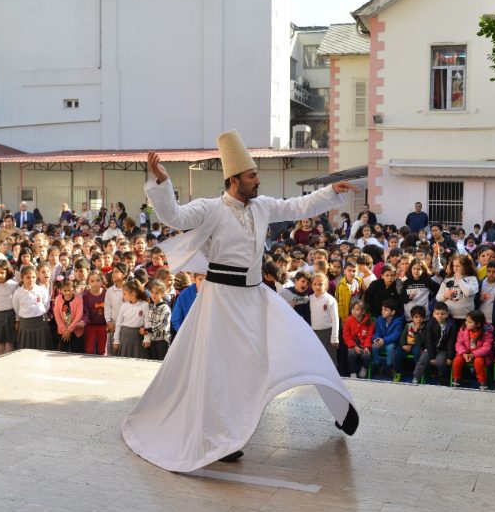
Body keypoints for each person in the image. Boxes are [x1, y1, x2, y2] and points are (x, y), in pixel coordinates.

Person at [121, 130, 359, 472]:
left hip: (256, 297)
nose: (257, 180)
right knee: (222, 373)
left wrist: (331, 192)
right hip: (220, 303)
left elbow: (297, 205)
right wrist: (161, 184)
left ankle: (341, 407)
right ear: (234, 180)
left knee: (301, 341)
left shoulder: (261, 206)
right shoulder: (210, 209)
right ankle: (222, 440)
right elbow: (174, 217)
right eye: (252, 176)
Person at [451, 309, 494, 389]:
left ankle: (482, 381)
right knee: (457, 360)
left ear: (477, 324)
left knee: (478, 362)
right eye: (466, 320)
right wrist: (463, 353)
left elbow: (487, 348)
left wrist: (474, 354)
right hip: (466, 353)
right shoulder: (463, 329)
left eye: (469, 322)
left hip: (480, 355)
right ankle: (456, 379)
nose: (466, 323)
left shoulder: (487, 332)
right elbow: (459, 343)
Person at [343, 300, 373, 378]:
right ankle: (352, 372)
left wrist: (366, 346)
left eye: (357, 309)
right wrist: (354, 346)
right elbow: (346, 336)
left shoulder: (368, 321)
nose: (354, 311)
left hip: (364, 346)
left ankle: (364, 368)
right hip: (353, 346)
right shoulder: (349, 320)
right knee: (351, 354)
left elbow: (369, 335)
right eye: (353, 309)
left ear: (362, 311)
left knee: (367, 356)